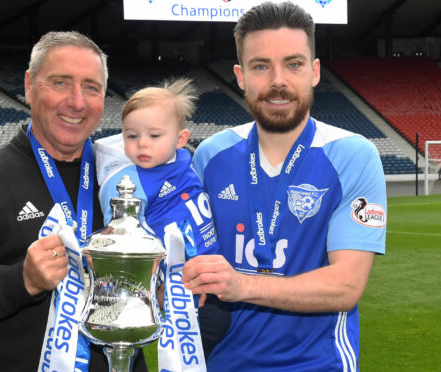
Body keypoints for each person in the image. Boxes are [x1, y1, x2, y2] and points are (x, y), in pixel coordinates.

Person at [0, 31, 147, 371]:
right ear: (29, 85)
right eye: (60, 82)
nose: (77, 101)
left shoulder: (126, 176)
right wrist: (22, 281)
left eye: (91, 87)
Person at [181, 2, 387, 371]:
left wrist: (242, 285)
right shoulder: (211, 156)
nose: (278, 80)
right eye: (261, 66)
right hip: (220, 363)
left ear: (314, 71)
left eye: (293, 64)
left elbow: (346, 286)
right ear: (240, 76)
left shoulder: (353, 155)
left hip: (318, 364)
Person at [94, 78, 230, 361]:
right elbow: (119, 242)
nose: (142, 143)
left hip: (212, 273)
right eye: (131, 136)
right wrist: (155, 286)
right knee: (202, 339)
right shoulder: (126, 182)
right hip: (180, 286)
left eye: (154, 136)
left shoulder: (183, 160)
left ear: (180, 139)